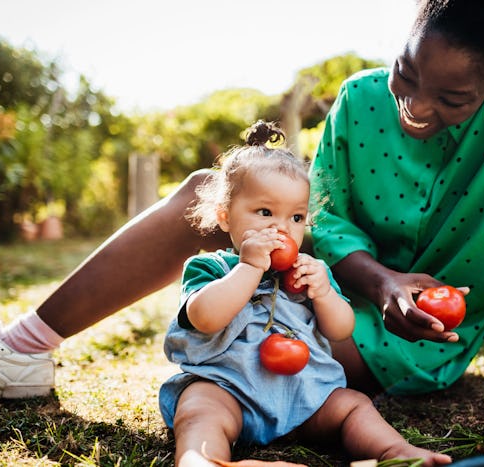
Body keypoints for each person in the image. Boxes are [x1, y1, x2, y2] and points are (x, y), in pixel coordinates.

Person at [0, 0, 484, 404]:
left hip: (407, 341)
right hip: (321, 278)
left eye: (452, 99)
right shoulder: (360, 97)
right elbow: (322, 216)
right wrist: (378, 277)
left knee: (284, 318)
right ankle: (21, 349)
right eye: (407, 73)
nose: (416, 107)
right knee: (205, 191)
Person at [162, 120, 451, 466]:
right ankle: (202, 461)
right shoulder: (213, 268)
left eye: (297, 217)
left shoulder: (310, 272)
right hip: (227, 389)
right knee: (198, 410)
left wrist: (325, 293)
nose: (282, 227)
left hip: (302, 395)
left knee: (353, 406)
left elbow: (341, 329)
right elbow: (205, 318)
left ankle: (397, 454)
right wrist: (250, 268)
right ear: (225, 217)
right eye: (265, 212)